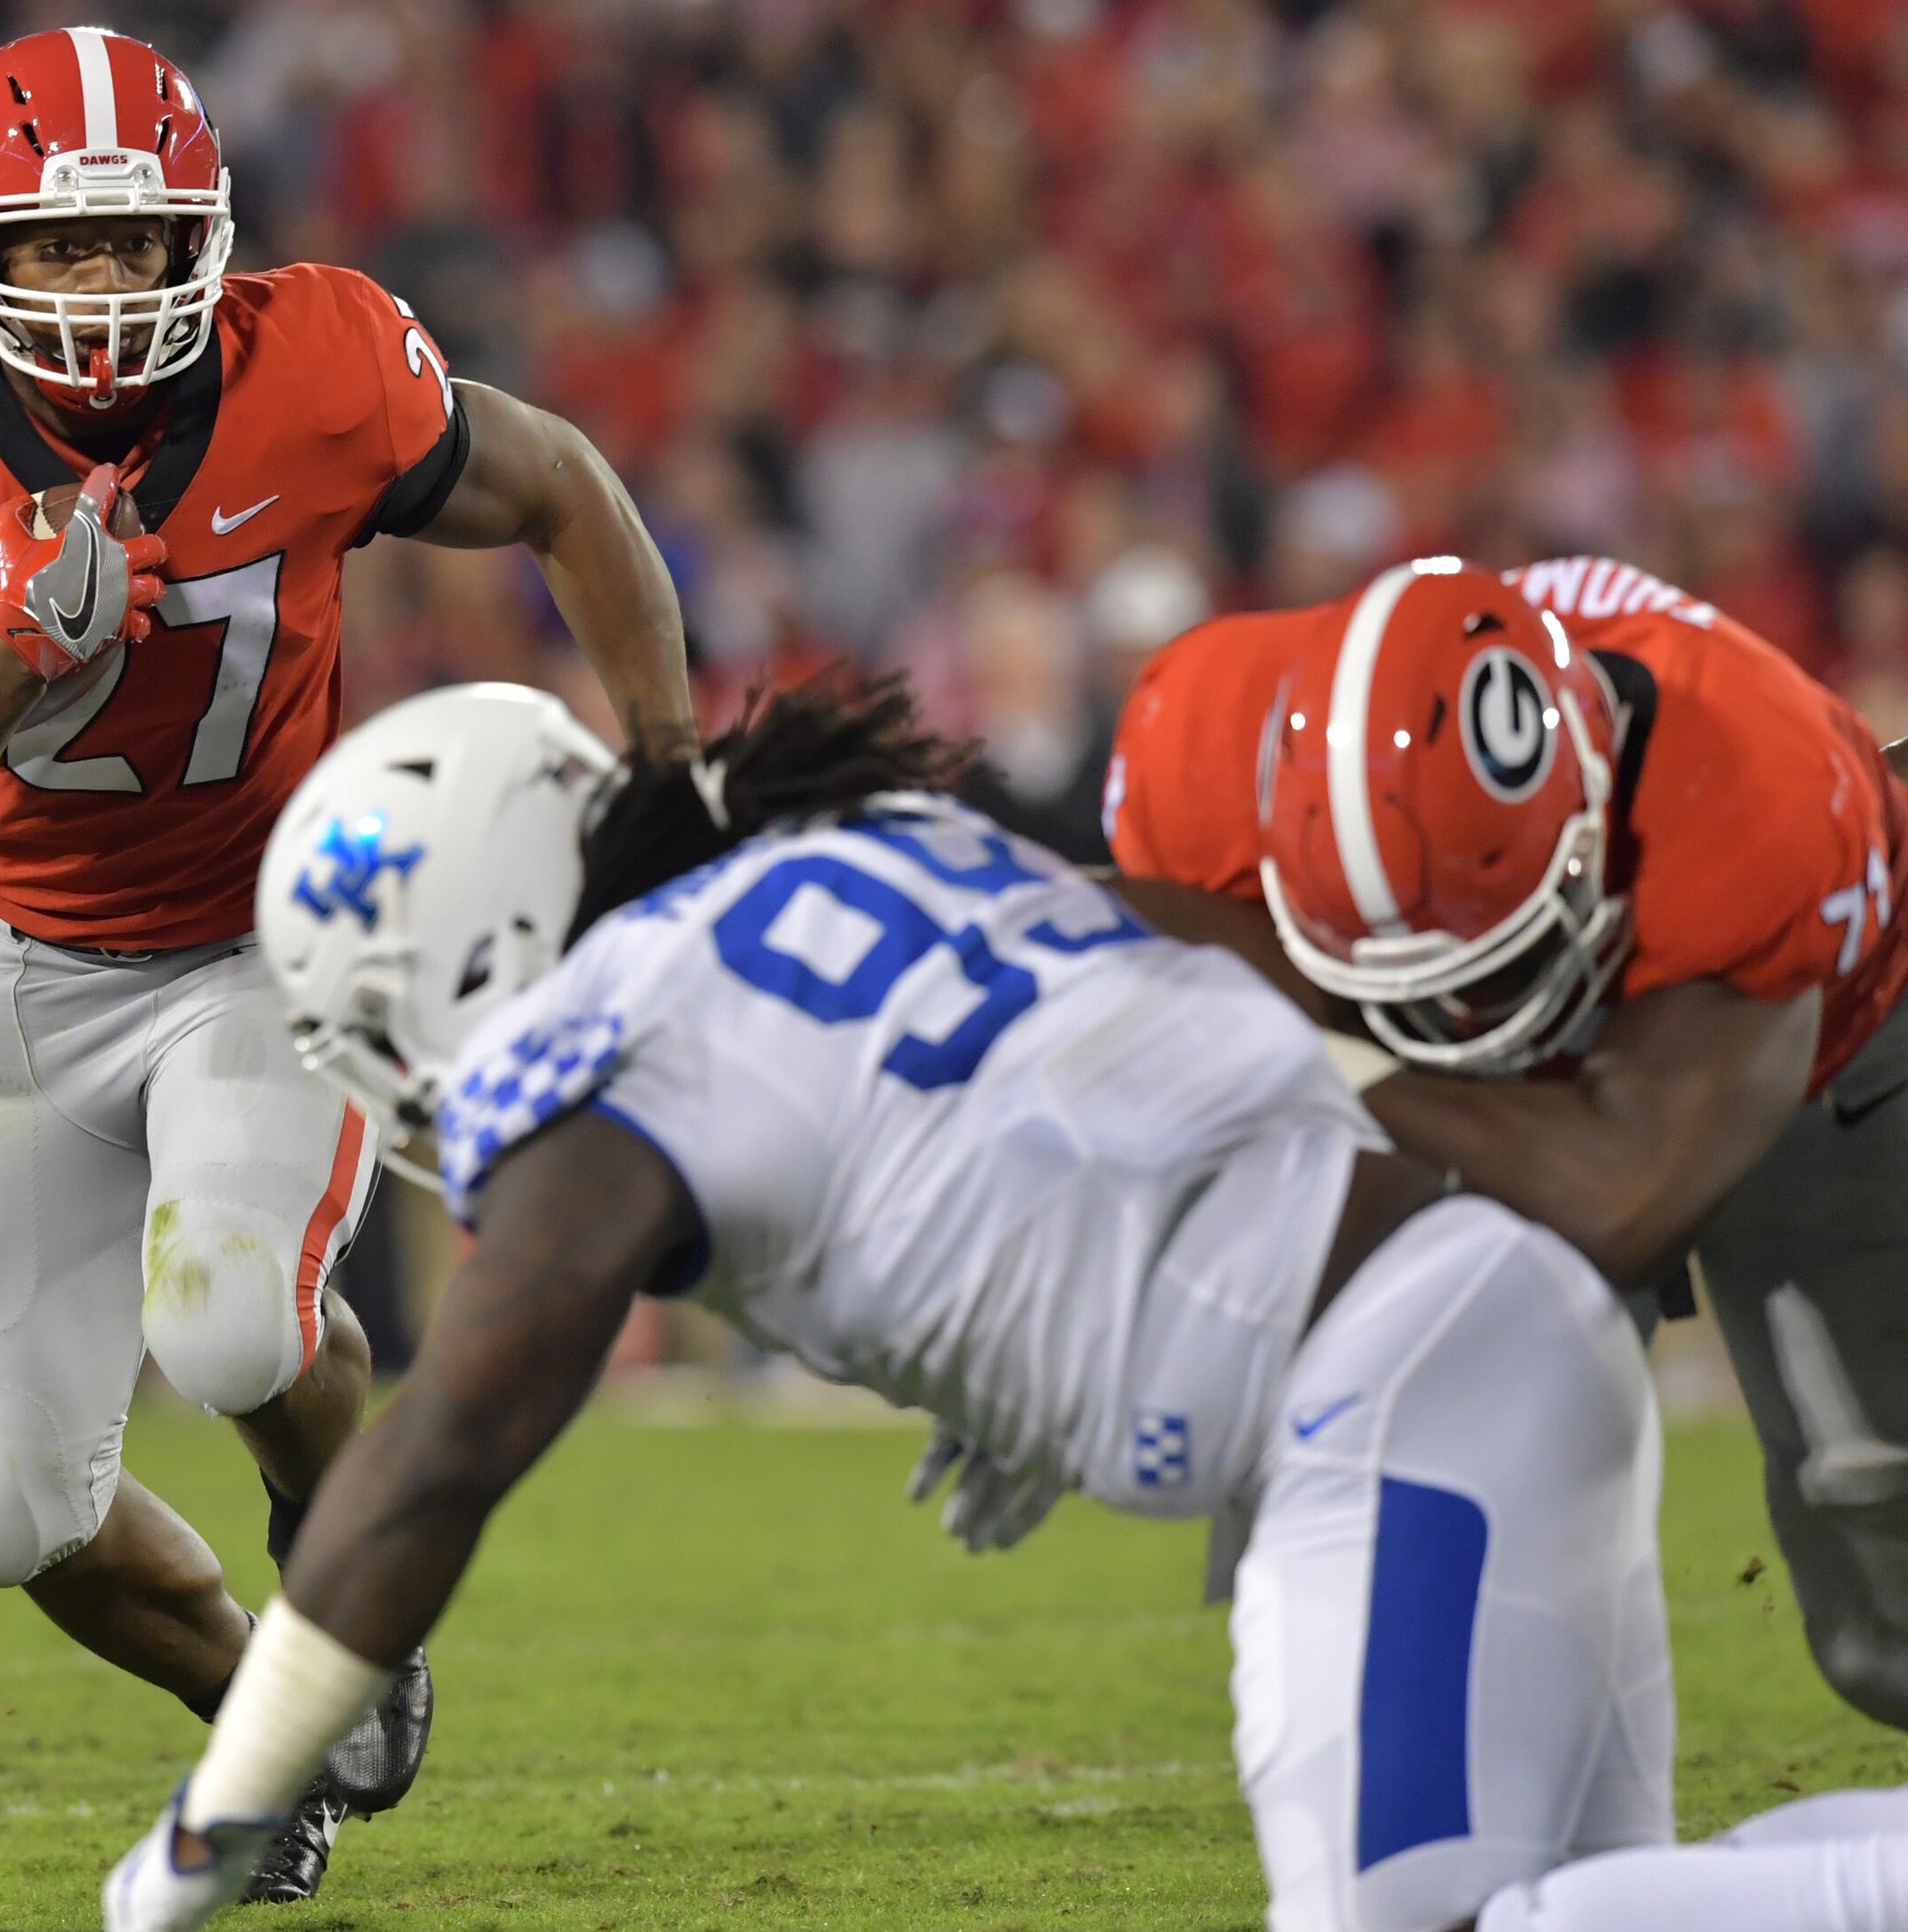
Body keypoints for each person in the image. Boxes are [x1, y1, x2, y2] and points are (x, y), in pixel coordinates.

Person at [102, 675, 1908, 1932]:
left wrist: (216, 1812)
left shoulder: (605, 1043)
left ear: (477, 955)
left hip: (1396, 1372)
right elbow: (1131, 987)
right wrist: (1039, 1320)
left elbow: (441, 1454)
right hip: (1492, 1312)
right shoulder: (853, 847)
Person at [0, 25, 697, 1901]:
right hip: (29, 977)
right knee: (10, 1513)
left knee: (233, 1321)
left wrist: (671, 775)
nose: (103, 288)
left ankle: (347, 1568)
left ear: (209, 232)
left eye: (137, 242)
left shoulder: (325, 360)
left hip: (267, 953)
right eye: (60, 245)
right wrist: (15, 648)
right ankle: (274, 1727)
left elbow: (567, 490)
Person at [1102, 555, 1908, 1730]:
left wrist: (1324, 1049)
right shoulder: (1198, 744)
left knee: (1882, 1601)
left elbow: (1622, 1200)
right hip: (1494, 1067)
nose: (1463, 1010)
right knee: (1364, 1574)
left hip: (1812, 1040)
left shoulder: (1754, 787)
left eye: (1488, 965)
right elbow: (1133, 949)